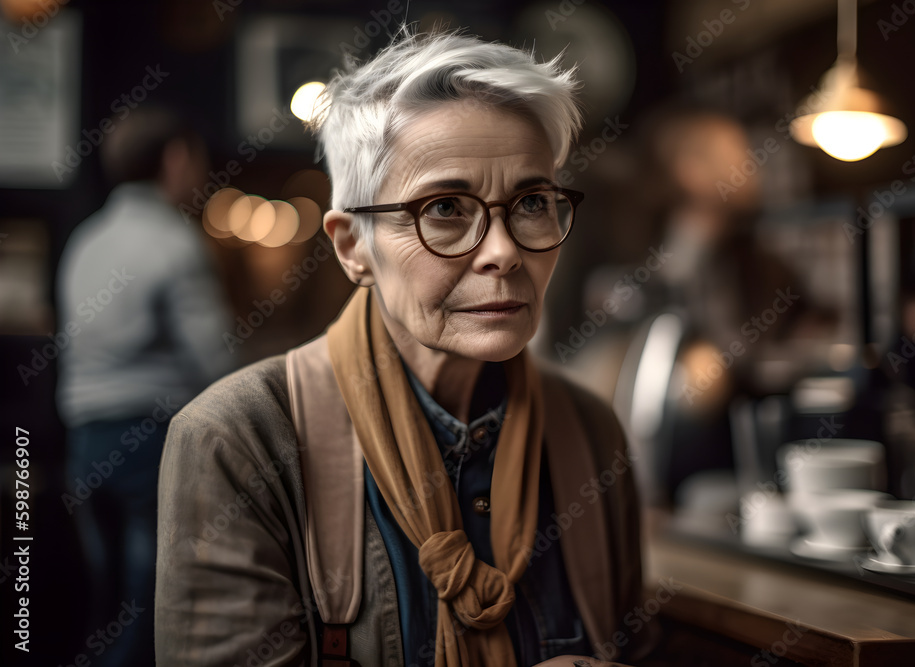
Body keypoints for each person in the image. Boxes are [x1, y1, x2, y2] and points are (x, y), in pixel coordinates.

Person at [155, 29, 657, 667]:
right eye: (446, 207)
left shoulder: (589, 432)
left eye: (531, 202)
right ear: (352, 246)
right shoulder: (239, 440)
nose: (502, 251)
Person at [57, 107, 237, 666]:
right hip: (151, 440)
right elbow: (216, 360)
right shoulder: (173, 242)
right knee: (154, 606)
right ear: (176, 158)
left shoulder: (87, 240)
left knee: (101, 604)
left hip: (85, 441)